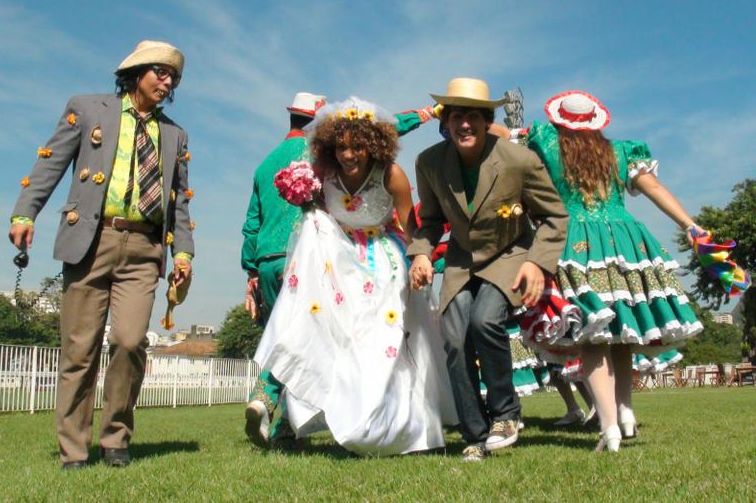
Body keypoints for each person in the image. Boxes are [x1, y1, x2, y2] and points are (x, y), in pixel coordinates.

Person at [8, 40, 194, 469]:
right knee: (80, 349)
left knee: (130, 342)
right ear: (136, 73)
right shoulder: (89, 109)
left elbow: (179, 203)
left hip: (145, 248)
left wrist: (183, 255)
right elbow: (51, 163)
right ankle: (73, 449)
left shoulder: (175, 134)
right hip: (91, 241)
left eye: (174, 79)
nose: (168, 83)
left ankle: (115, 437)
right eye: (161, 74)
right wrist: (25, 212)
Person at [253, 97, 456, 456]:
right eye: (342, 146)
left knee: (386, 341)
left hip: (383, 260)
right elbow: (312, 211)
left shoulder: (392, 175)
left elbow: (411, 226)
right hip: (336, 264)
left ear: (374, 144)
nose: (349, 154)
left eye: (358, 146)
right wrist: (306, 203)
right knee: (334, 339)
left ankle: (392, 423)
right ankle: (310, 417)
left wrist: (420, 259)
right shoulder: (321, 172)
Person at [520, 90, 704, 451]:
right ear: (596, 123)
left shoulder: (547, 144)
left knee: (591, 335)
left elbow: (501, 135)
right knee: (621, 333)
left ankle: (609, 427)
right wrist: (690, 226)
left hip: (574, 241)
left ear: (560, 123)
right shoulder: (622, 152)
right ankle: (626, 413)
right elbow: (653, 188)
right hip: (624, 239)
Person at [408, 78, 569, 461]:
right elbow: (428, 220)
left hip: (510, 253)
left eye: (473, 117)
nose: (465, 124)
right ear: (446, 123)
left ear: (486, 121)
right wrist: (420, 254)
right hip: (463, 261)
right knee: (454, 337)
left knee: (484, 321)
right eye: (457, 116)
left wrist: (536, 263)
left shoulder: (518, 160)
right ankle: (475, 435)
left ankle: (506, 415)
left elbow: (554, 216)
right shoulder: (429, 163)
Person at [241, 92, 326, 449]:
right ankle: (278, 416)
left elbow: (251, 225)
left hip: (266, 260)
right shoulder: (317, 155)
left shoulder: (265, 164)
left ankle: (273, 416)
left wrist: (251, 274)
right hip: (301, 255)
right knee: (306, 341)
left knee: (281, 337)